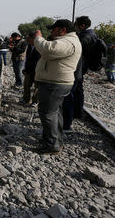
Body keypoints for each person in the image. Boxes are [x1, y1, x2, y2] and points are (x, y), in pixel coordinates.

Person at [33, 19, 82, 154]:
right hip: (55, 83)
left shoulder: (68, 42)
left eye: (54, 30)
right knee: (55, 114)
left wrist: (38, 38)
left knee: (48, 114)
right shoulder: (68, 41)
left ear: (62, 30)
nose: (52, 32)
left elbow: (47, 49)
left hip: (55, 84)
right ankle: (54, 140)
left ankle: (52, 145)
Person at [22, 32, 41, 105]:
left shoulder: (40, 46)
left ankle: (35, 101)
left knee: (37, 87)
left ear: (34, 39)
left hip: (37, 71)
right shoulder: (29, 46)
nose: (27, 40)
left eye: (28, 39)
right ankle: (26, 100)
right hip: (28, 70)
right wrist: (24, 67)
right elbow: (26, 58)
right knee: (26, 86)